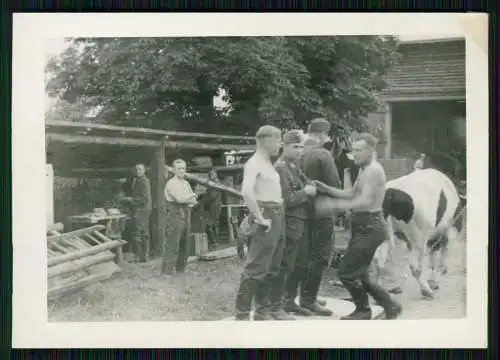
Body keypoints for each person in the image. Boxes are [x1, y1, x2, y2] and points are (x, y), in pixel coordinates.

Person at [313, 133, 403, 320]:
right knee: (359, 272)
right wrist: (327, 189)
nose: (355, 154)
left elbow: (364, 201)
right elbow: (352, 193)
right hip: (364, 225)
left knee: (346, 272)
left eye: (359, 150)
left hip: (370, 226)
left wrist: (332, 206)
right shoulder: (364, 169)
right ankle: (390, 305)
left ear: (371, 151)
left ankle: (363, 310)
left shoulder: (373, 171)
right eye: (353, 150)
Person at [234, 125, 284, 321]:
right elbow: (247, 192)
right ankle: (243, 314)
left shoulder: (268, 163)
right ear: (267, 140)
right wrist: (260, 218)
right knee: (256, 267)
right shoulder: (254, 163)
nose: (280, 144)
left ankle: (262, 312)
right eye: (278, 139)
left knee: (272, 266)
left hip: (278, 214)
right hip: (267, 214)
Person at [294, 118, 342, 316]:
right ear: (322, 135)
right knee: (320, 256)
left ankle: (305, 295)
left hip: (299, 212)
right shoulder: (323, 154)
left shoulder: (296, 152)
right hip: (321, 212)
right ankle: (309, 299)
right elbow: (335, 184)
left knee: (304, 255)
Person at [274, 130, 318, 319]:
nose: (300, 150)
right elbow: (286, 199)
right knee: (286, 265)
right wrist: (305, 192)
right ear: (284, 146)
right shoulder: (280, 168)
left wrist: (308, 188)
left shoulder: (293, 166)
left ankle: (290, 302)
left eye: (301, 146)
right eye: (295, 146)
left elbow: (309, 183)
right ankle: (279, 305)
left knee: (300, 264)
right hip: (290, 222)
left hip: (300, 221)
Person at [161, 159, 198, 275]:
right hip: (175, 213)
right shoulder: (171, 183)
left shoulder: (186, 184)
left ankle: (180, 268)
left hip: (186, 213)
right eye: (179, 168)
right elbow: (179, 199)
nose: (181, 171)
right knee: (173, 242)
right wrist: (191, 196)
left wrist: (189, 197)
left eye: (183, 168)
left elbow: (194, 201)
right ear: (173, 170)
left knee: (185, 242)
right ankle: (167, 270)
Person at [120, 164, 152, 263]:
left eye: (140, 169)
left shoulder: (144, 181)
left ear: (144, 171)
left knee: (138, 233)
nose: (138, 171)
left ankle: (139, 257)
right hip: (140, 209)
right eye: (136, 170)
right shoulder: (137, 180)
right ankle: (144, 256)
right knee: (143, 232)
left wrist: (130, 199)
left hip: (142, 209)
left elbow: (144, 199)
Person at [205, 169, 223, 250]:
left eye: (212, 173)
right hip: (215, 205)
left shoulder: (215, 183)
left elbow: (212, 196)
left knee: (209, 224)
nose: (210, 175)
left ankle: (214, 242)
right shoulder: (214, 182)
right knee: (215, 224)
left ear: (216, 174)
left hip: (214, 205)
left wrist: (203, 199)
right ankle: (216, 242)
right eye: (209, 174)